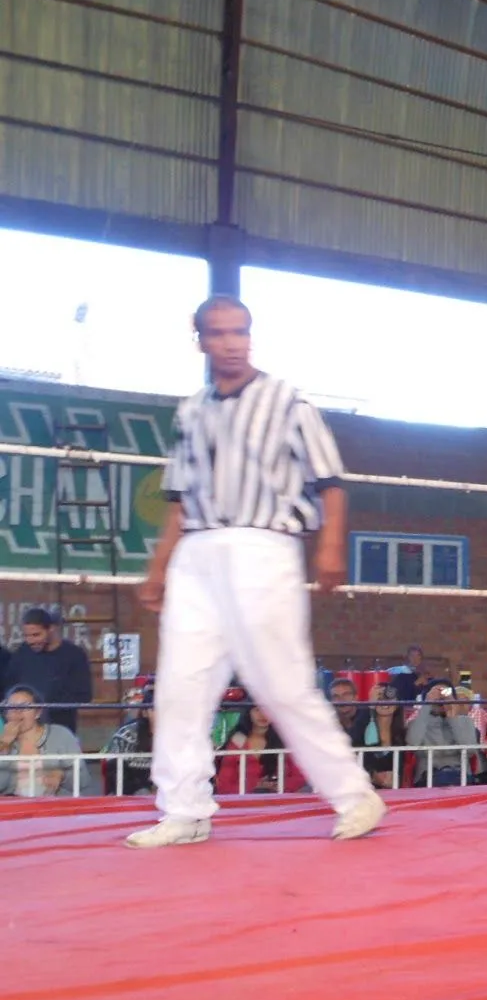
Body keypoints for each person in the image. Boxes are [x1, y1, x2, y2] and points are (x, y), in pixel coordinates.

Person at [123, 294, 385, 848]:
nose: (231, 342)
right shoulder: (191, 411)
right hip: (197, 549)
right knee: (179, 685)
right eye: (218, 333)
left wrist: (331, 545)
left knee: (281, 681)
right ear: (200, 340)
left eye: (240, 331)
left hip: (263, 544)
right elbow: (177, 496)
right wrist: (159, 567)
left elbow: (330, 480)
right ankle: (185, 809)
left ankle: (354, 794)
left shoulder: (287, 401)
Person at [6, 608, 93, 735]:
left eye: (36, 635)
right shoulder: (22, 654)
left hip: (61, 730)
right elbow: (10, 687)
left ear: (51, 629)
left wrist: (43, 706)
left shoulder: (74, 655)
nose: (30, 641)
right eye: (26, 636)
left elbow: (84, 695)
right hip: (24, 731)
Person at [0, 685, 89, 797]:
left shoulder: (61, 735)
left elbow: (83, 782)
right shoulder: (2, 739)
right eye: (12, 708)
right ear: (6, 714)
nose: (17, 712)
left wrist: (62, 775)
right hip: (14, 808)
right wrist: (4, 746)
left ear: (38, 712)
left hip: (54, 807)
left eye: (24, 707)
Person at [215, 704, 306, 795]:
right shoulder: (238, 741)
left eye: (268, 709)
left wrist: (278, 785)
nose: (263, 714)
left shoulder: (286, 740)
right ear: (248, 712)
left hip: (280, 801)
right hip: (245, 802)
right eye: (257, 710)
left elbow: (300, 776)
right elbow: (224, 785)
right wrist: (255, 785)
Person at [405, 683, 480, 786]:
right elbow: (412, 743)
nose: (440, 698)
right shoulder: (417, 722)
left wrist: (452, 718)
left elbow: (470, 750)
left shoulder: (466, 721)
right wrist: (427, 706)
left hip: (460, 777)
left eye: (445, 692)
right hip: (427, 778)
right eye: (435, 693)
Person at [103, 684, 157, 795]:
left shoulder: (181, 737)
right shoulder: (126, 735)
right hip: (130, 794)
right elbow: (114, 774)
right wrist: (145, 788)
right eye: (155, 709)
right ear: (145, 713)